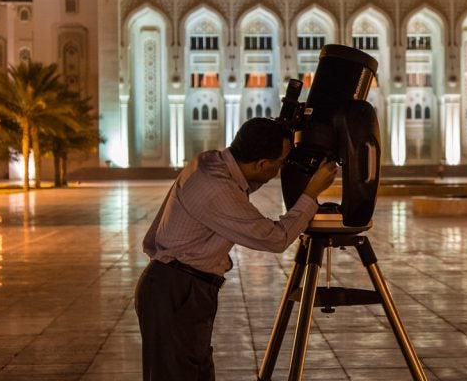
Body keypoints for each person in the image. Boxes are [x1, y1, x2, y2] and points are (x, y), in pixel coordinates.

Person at [135, 117, 337, 380]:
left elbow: (244, 182)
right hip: (178, 290)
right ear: (262, 163)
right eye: (279, 164)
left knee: (193, 372)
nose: (280, 170)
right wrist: (310, 193)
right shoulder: (217, 189)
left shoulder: (212, 162)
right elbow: (276, 238)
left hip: (178, 285)